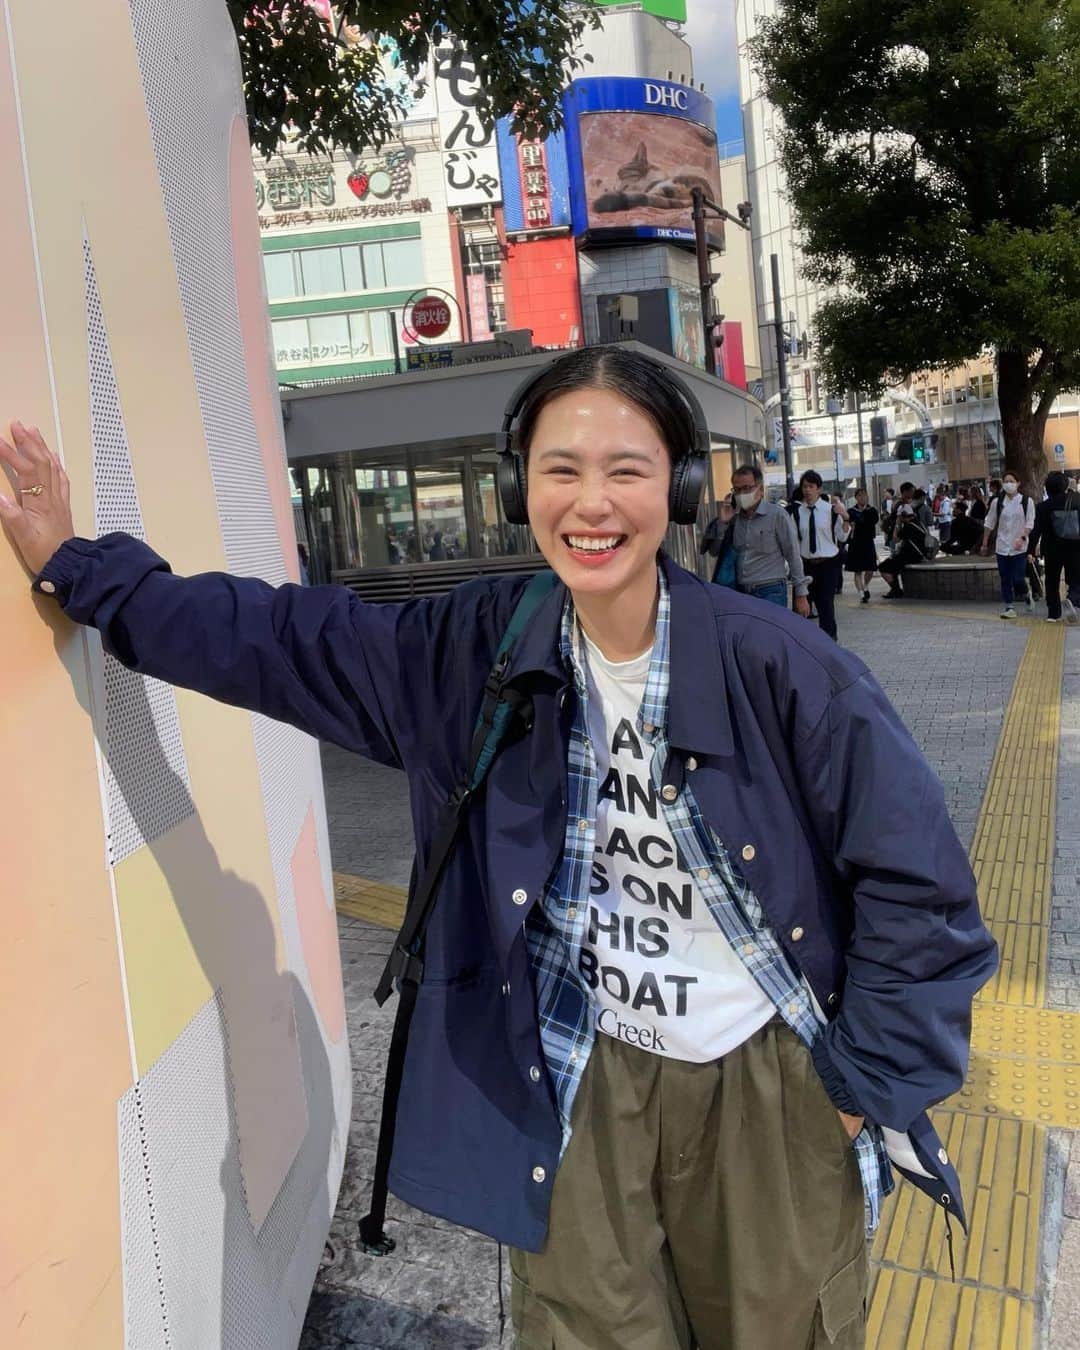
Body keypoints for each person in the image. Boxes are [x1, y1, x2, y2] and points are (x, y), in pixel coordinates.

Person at [1, 347, 996, 1350]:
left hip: (764, 1079)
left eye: (627, 470)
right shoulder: (469, 649)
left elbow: (924, 899)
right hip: (572, 1069)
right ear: (521, 487)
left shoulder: (783, 669)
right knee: (582, 1333)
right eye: (561, 469)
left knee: (782, 1331)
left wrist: (857, 1097)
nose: (592, 504)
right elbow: (271, 638)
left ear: (682, 487)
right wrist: (75, 567)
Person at [700, 463, 810, 615]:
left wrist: (801, 594)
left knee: (770, 637)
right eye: (737, 490)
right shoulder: (733, 519)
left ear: (760, 489)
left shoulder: (777, 515)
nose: (742, 493)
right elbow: (714, 552)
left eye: (747, 488)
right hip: (741, 592)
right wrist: (723, 523)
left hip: (771, 591)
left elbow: (793, 555)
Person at [787, 470, 851, 640]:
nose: (807, 490)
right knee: (801, 608)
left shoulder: (830, 511)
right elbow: (793, 542)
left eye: (811, 486)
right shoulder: (796, 513)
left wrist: (845, 518)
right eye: (804, 486)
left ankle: (830, 644)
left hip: (828, 564)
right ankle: (804, 646)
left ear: (819, 489)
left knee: (826, 607)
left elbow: (842, 536)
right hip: (805, 564)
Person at [980, 471, 1035, 618]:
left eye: (1011, 481)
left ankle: (1026, 594)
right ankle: (1009, 606)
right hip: (1002, 546)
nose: (1008, 484)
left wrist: (1022, 537)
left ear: (1018, 483)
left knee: (1018, 578)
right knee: (1005, 578)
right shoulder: (997, 502)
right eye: (1006, 481)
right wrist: (984, 543)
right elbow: (989, 523)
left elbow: (1030, 523)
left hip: (1019, 548)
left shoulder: (1026, 502)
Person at [1030, 470, 1080, 623]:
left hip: (1052, 549)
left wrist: (1030, 550)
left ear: (1047, 488)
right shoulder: (1077, 500)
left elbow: (1036, 530)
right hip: (1075, 547)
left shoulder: (1043, 507)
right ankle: (1073, 599)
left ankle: (1053, 613)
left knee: (1052, 581)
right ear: (1065, 485)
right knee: (1076, 578)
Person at [878, 500, 930, 598]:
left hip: (910, 555)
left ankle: (896, 590)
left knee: (883, 567)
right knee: (892, 565)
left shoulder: (908, 527)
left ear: (903, 515)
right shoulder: (918, 523)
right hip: (918, 554)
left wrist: (897, 524)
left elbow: (895, 539)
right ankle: (896, 590)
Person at [844, 488, 879, 603]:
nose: (862, 497)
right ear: (856, 497)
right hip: (855, 543)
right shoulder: (851, 511)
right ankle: (861, 593)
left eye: (864, 495)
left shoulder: (872, 510)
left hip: (868, 542)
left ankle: (865, 585)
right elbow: (847, 524)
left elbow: (873, 521)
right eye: (860, 495)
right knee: (857, 570)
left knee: (870, 568)